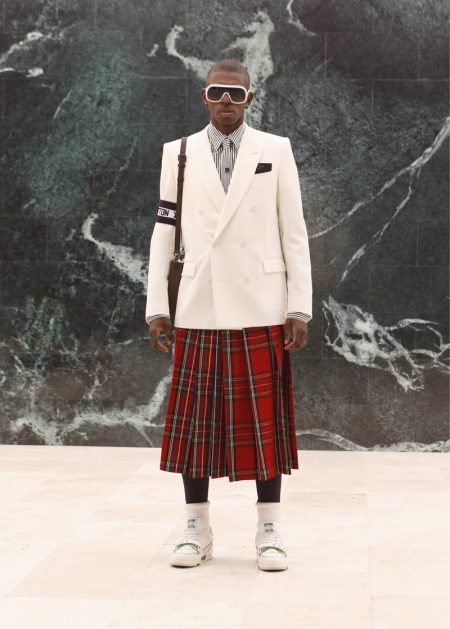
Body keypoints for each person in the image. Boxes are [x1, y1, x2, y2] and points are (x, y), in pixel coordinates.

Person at [145, 59, 313, 571]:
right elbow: (164, 231)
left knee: (264, 424)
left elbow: (293, 231)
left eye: (235, 94)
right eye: (217, 91)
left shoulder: (275, 150)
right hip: (199, 300)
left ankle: (269, 529)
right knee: (195, 424)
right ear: (204, 96)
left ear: (249, 99)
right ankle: (196, 526)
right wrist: (157, 307)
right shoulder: (177, 153)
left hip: (261, 301)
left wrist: (299, 306)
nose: (226, 100)